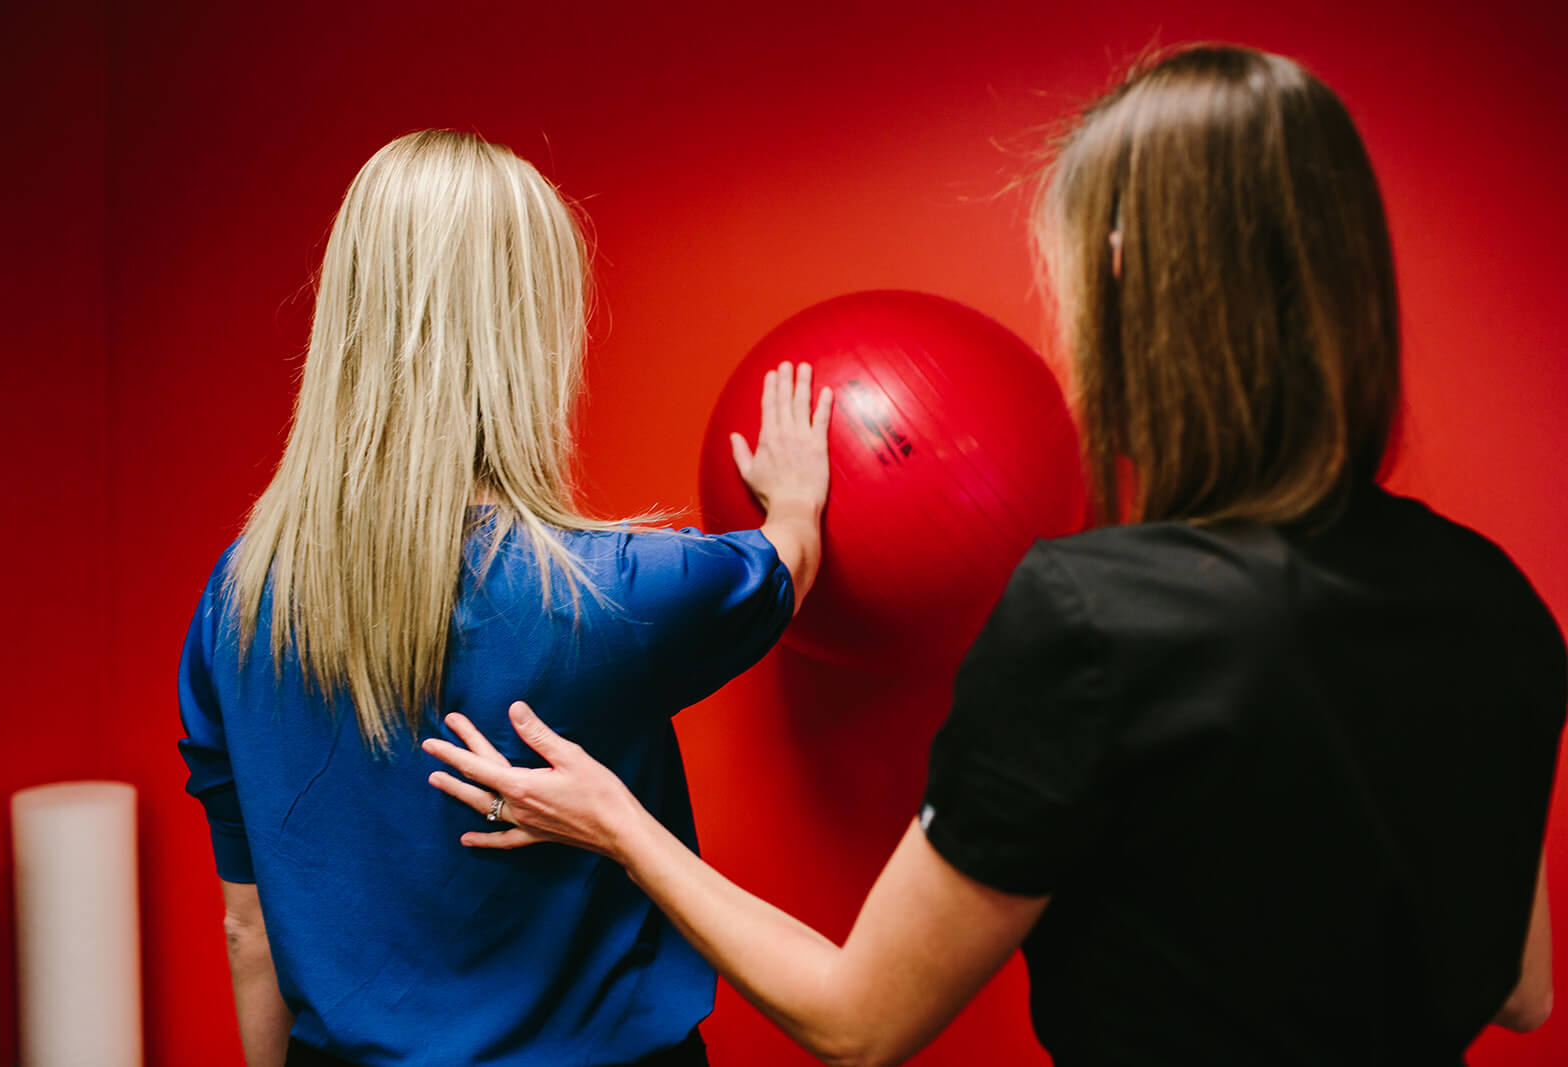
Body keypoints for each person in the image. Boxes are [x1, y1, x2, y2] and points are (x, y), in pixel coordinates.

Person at [424, 46, 1565, 1066]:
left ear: (1124, 275)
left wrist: (618, 821)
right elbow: (1520, 990)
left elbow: (857, 1021)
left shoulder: (1092, 619)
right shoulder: (1495, 598)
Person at [177, 129, 835, 1067]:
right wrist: (799, 504)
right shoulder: (620, 592)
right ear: (529, 335)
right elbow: (784, 568)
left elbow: (249, 929)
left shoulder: (238, 601)